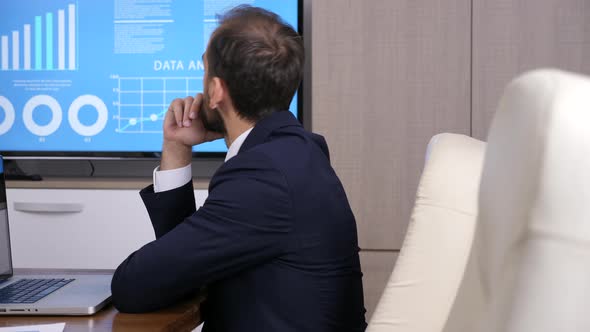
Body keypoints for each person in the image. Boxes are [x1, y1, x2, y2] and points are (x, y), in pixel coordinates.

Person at [111, 5, 367, 331]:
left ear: (216, 90)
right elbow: (182, 271)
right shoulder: (298, 152)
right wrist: (177, 147)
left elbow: (134, 286)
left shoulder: (263, 177)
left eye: (204, 72)